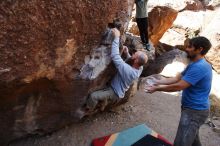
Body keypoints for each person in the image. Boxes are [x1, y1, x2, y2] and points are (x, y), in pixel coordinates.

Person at [145, 36, 212, 146]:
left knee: (181, 143)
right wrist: (158, 82)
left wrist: (157, 88)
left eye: (190, 47)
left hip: (195, 112)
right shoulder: (194, 63)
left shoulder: (200, 67)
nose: (186, 49)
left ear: (200, 49)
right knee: (193, 139)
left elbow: (179, 86)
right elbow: (177, 78)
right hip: (193, 109)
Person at [85, 28, 148, 114]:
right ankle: (103, 103)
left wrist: (116, 38)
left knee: (93, 96)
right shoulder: (140, 67)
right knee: (102, 92)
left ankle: (89, 110)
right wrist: (127, 53)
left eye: (135, 55)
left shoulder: (129, 71)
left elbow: (115, 56)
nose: (133, 54)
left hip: (114, 92)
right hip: (116, 89)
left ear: (136, 61)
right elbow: (132, 61)